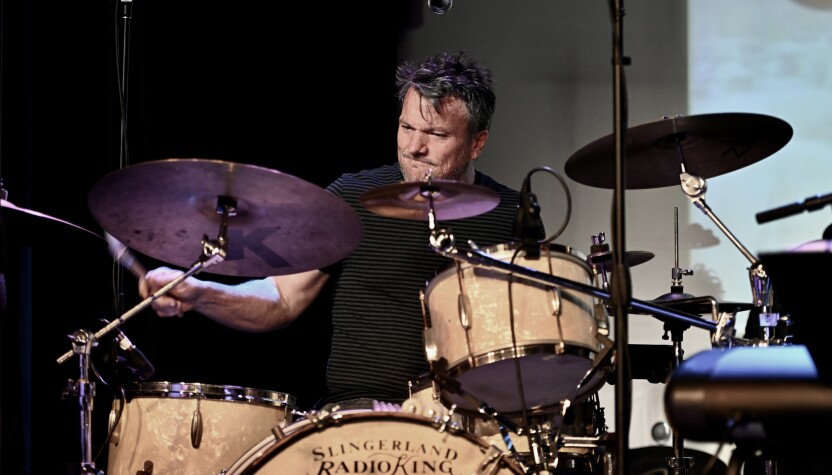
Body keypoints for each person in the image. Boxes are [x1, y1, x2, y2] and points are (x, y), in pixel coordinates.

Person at [138, 50, 543, 412]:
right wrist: (202, 293)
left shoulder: (512, 213)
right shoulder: (353, 197)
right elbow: (281, 298)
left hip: (469, 418)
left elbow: (536, 341)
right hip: (359, 413)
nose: (414, 147)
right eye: (406, 127)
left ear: (477, 143)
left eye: (436, 134)